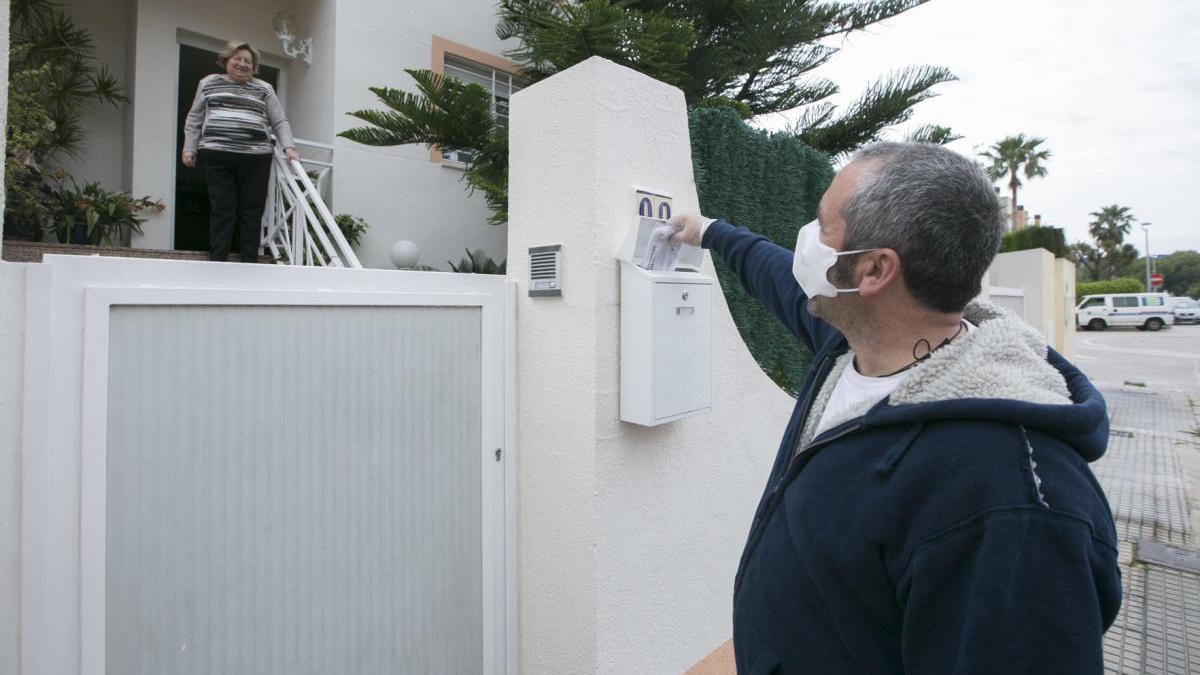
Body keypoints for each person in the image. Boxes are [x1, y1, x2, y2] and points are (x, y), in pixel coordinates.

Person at [669, 142, 1121, 673]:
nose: (807, 243)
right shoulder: (853, 345)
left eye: (821, 226)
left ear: (875, 270)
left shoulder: (1015, 505)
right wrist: (708, 232)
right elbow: (773, 272)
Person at [181, 40, 300, 262]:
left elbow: (279, 121)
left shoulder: (264, 88)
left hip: (256, 157)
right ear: (226, 60)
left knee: (252, 210)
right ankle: (218, 259)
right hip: (217, 154)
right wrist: (189, 148)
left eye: (248, 61)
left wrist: (289, 147)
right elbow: (194, 118)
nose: (243, 64)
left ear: (254, 66)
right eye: (238, 59)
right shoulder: (208, 83)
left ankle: (249, 261)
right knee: (223, 209)